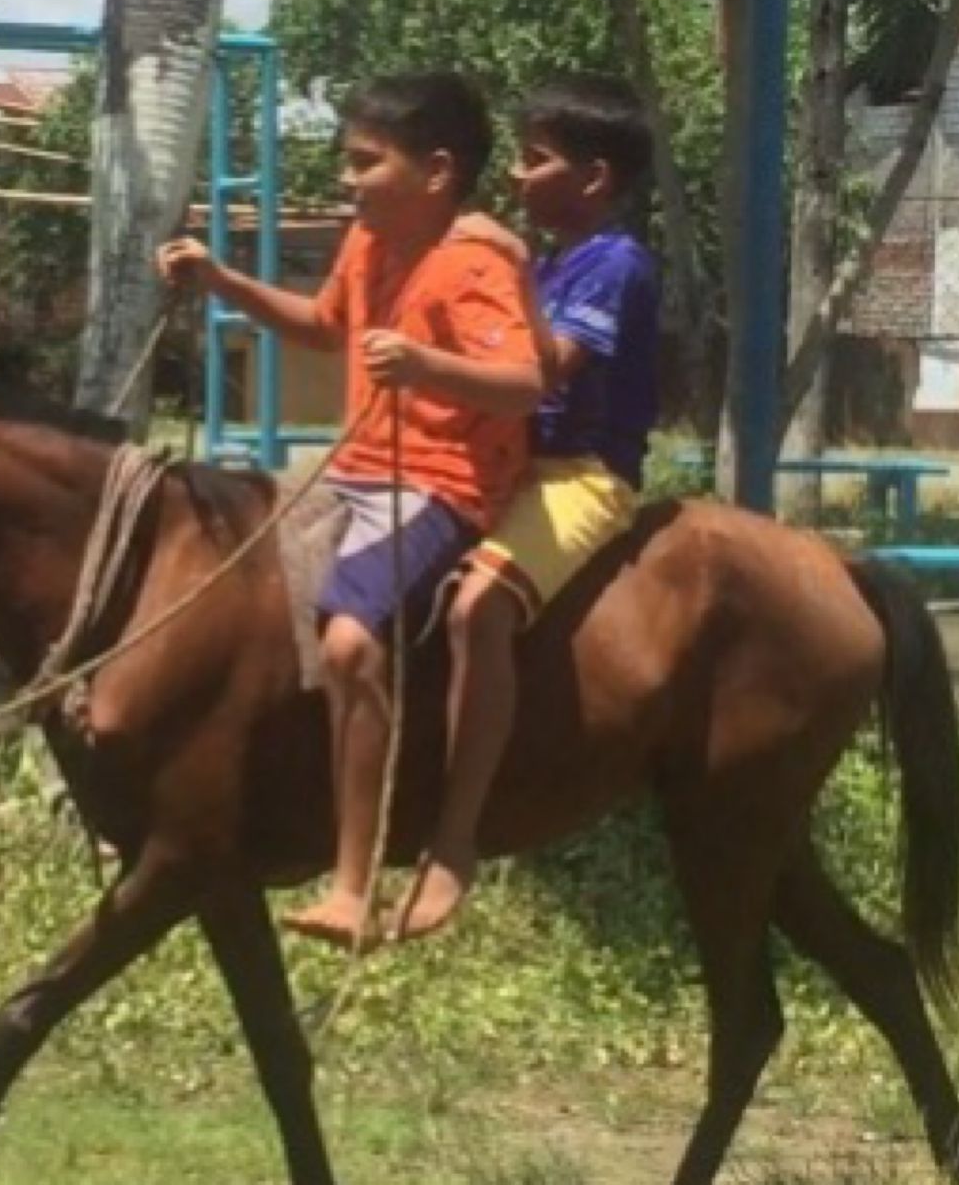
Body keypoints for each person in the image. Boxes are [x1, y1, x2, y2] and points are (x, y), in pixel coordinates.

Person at [159, 70, 543, 950]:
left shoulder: (474, 262)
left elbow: (523, 385)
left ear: (437, 171)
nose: (347, 180)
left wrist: (426, 367)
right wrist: (220, 279)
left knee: (348, 641)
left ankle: (354, 883)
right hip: (352, 473)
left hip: (439, 484)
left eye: (366, 163)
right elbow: (323, 325)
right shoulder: (369, 243)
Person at [394, 73, 661, 942]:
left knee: (477, 607)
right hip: (507, 463)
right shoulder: (547, 261)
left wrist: (502, 264)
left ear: (594, 179)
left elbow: (548, 371)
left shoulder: (614, 263)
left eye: (534, 160)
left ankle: (456, 839)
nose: (514, 176)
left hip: (581, 475)